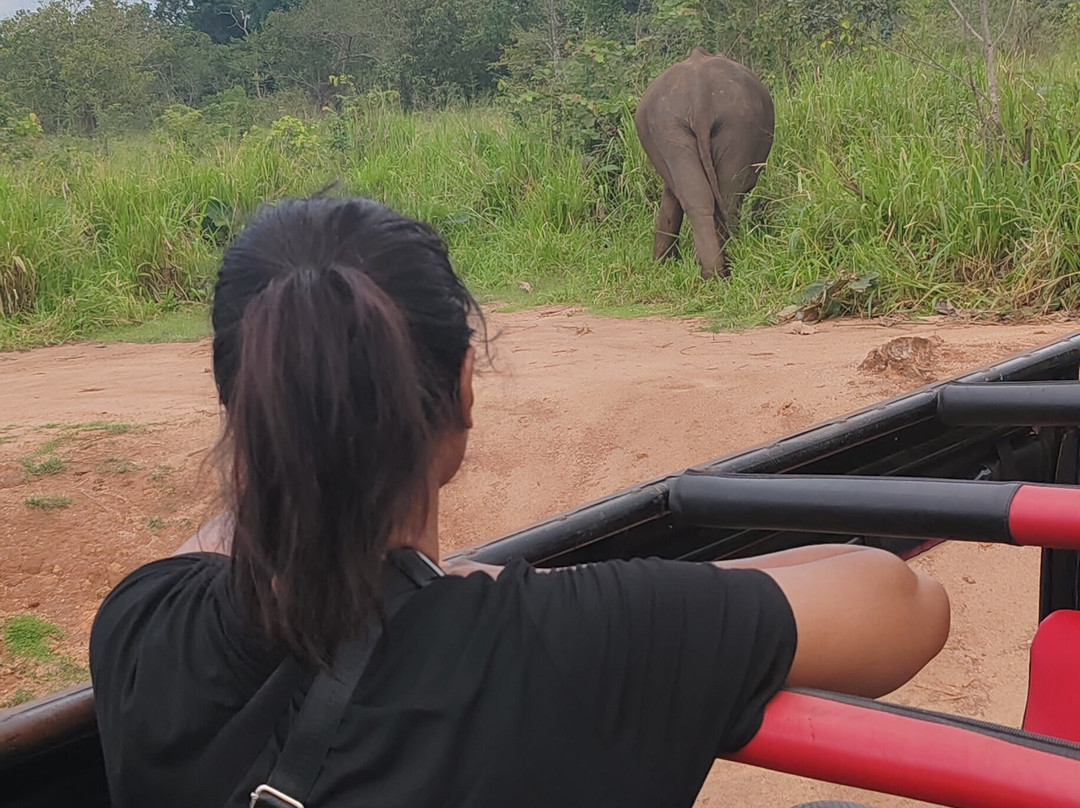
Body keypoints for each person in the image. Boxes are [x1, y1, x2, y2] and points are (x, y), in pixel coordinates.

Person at [89, 196, 950, 808]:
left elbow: (214, 543)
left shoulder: (139, 625)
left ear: (238, 403)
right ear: (464, 390)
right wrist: (677, 606)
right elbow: (903, 600)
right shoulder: (576, 638)